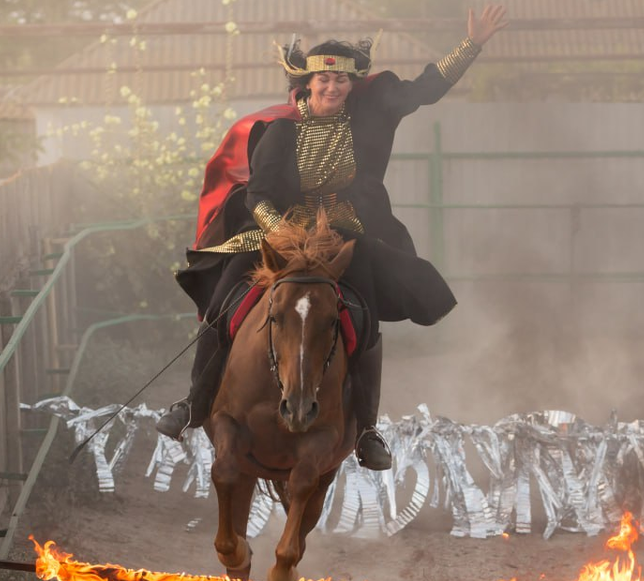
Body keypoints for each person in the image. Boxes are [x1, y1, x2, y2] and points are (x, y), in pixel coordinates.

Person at [158, 5, 510, 472]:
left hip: (343, 235)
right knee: (222, 308)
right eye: (323, 82)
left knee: (364, 322)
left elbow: (425, 89)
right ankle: (193, 404)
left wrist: (473, 44)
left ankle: (364, 429)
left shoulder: (368, 119)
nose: (331, 88)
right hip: (275, 234)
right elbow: (256, 195)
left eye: (341, 82)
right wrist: (281, 235)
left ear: (351, 85)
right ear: (306, 84)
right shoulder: (279, 131)